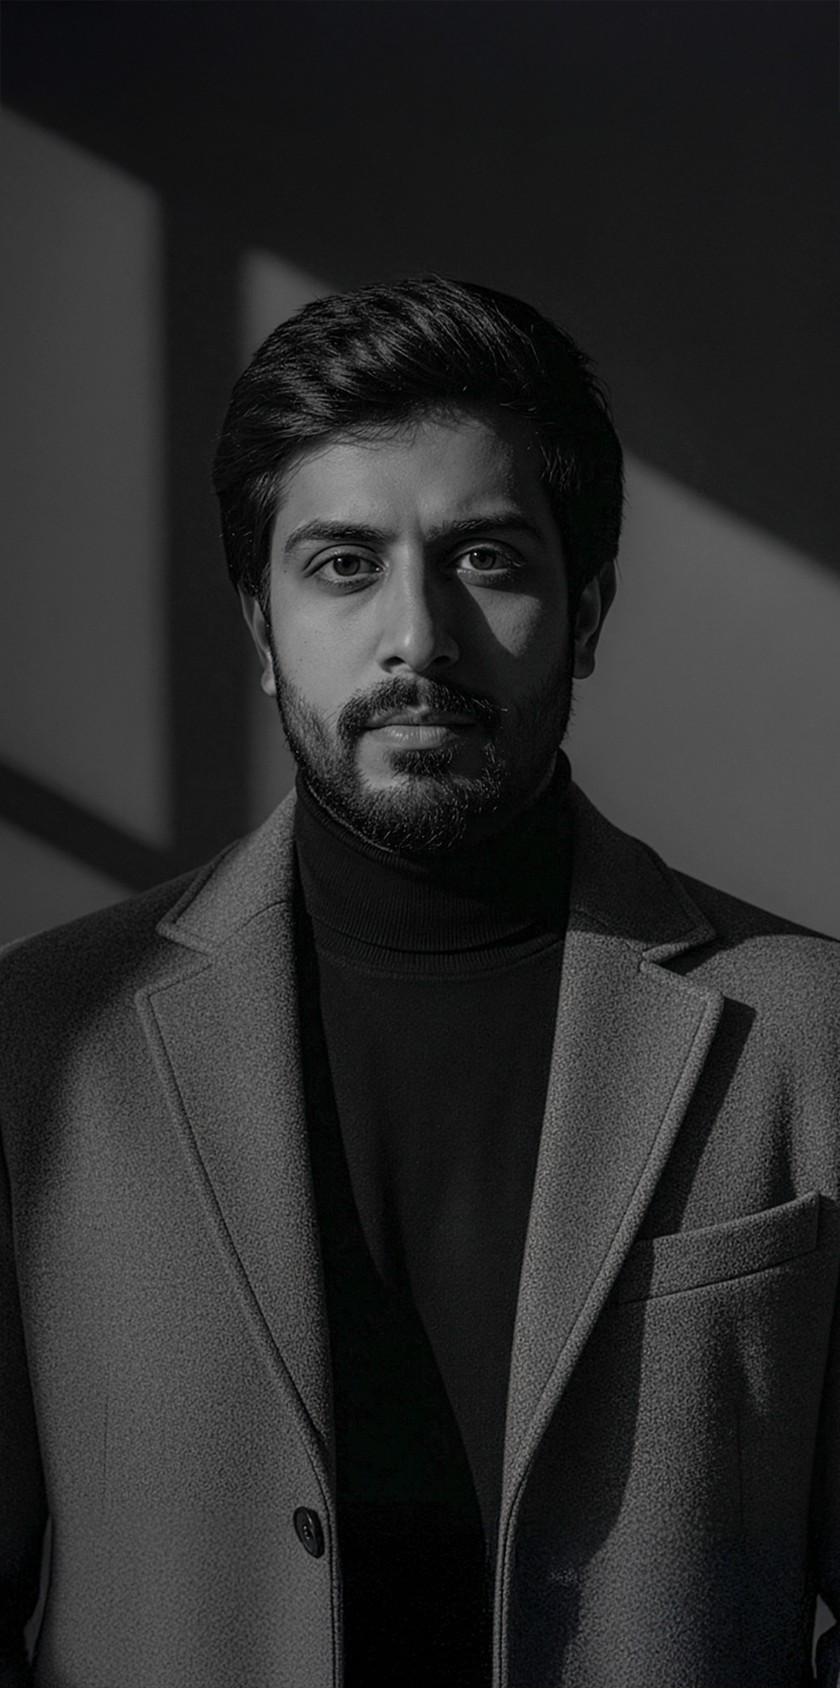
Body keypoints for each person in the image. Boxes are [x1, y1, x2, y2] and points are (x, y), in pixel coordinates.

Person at [1, 277, 838, 1688]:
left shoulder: (808, 1040)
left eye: (486, 559)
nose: (418, 639)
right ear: (260, 626)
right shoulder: (40, 1046)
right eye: (343, 565)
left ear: (587, 612)